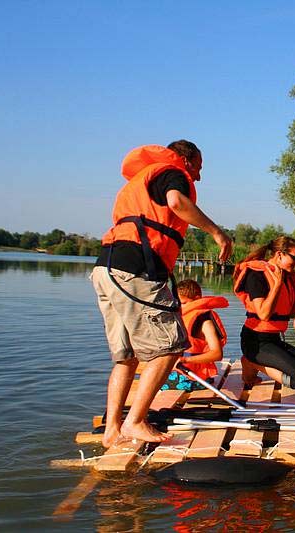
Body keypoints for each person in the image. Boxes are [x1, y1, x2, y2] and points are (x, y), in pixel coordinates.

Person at [91, 141, 232, 447]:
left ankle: (112, 429)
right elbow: (177, 202)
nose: (198, 176)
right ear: (185, 158)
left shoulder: (143, 179)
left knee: (126, 358)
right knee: (171, 346)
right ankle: (136, 421)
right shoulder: (172, 171)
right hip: (135, 270)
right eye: (197, 167)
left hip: (106, 268)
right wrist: (217, 232)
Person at [233, 236, 295, 389]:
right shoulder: (257, 274)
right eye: (294, 258)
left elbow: (292, 312)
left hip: (273, 339)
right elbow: (263, 315)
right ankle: (250, 362)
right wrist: (276, 286)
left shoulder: (286, 275)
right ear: (280, 254)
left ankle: (253, 361)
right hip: (255, 340)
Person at [171, 279, 228, 390]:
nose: (181, 307)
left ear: (197, 299)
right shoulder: (182, 317)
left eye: (183, 303)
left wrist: (185, 360)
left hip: (194, 377)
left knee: (152, 383)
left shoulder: (205, 322)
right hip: (179, 371)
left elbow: (217, 354)